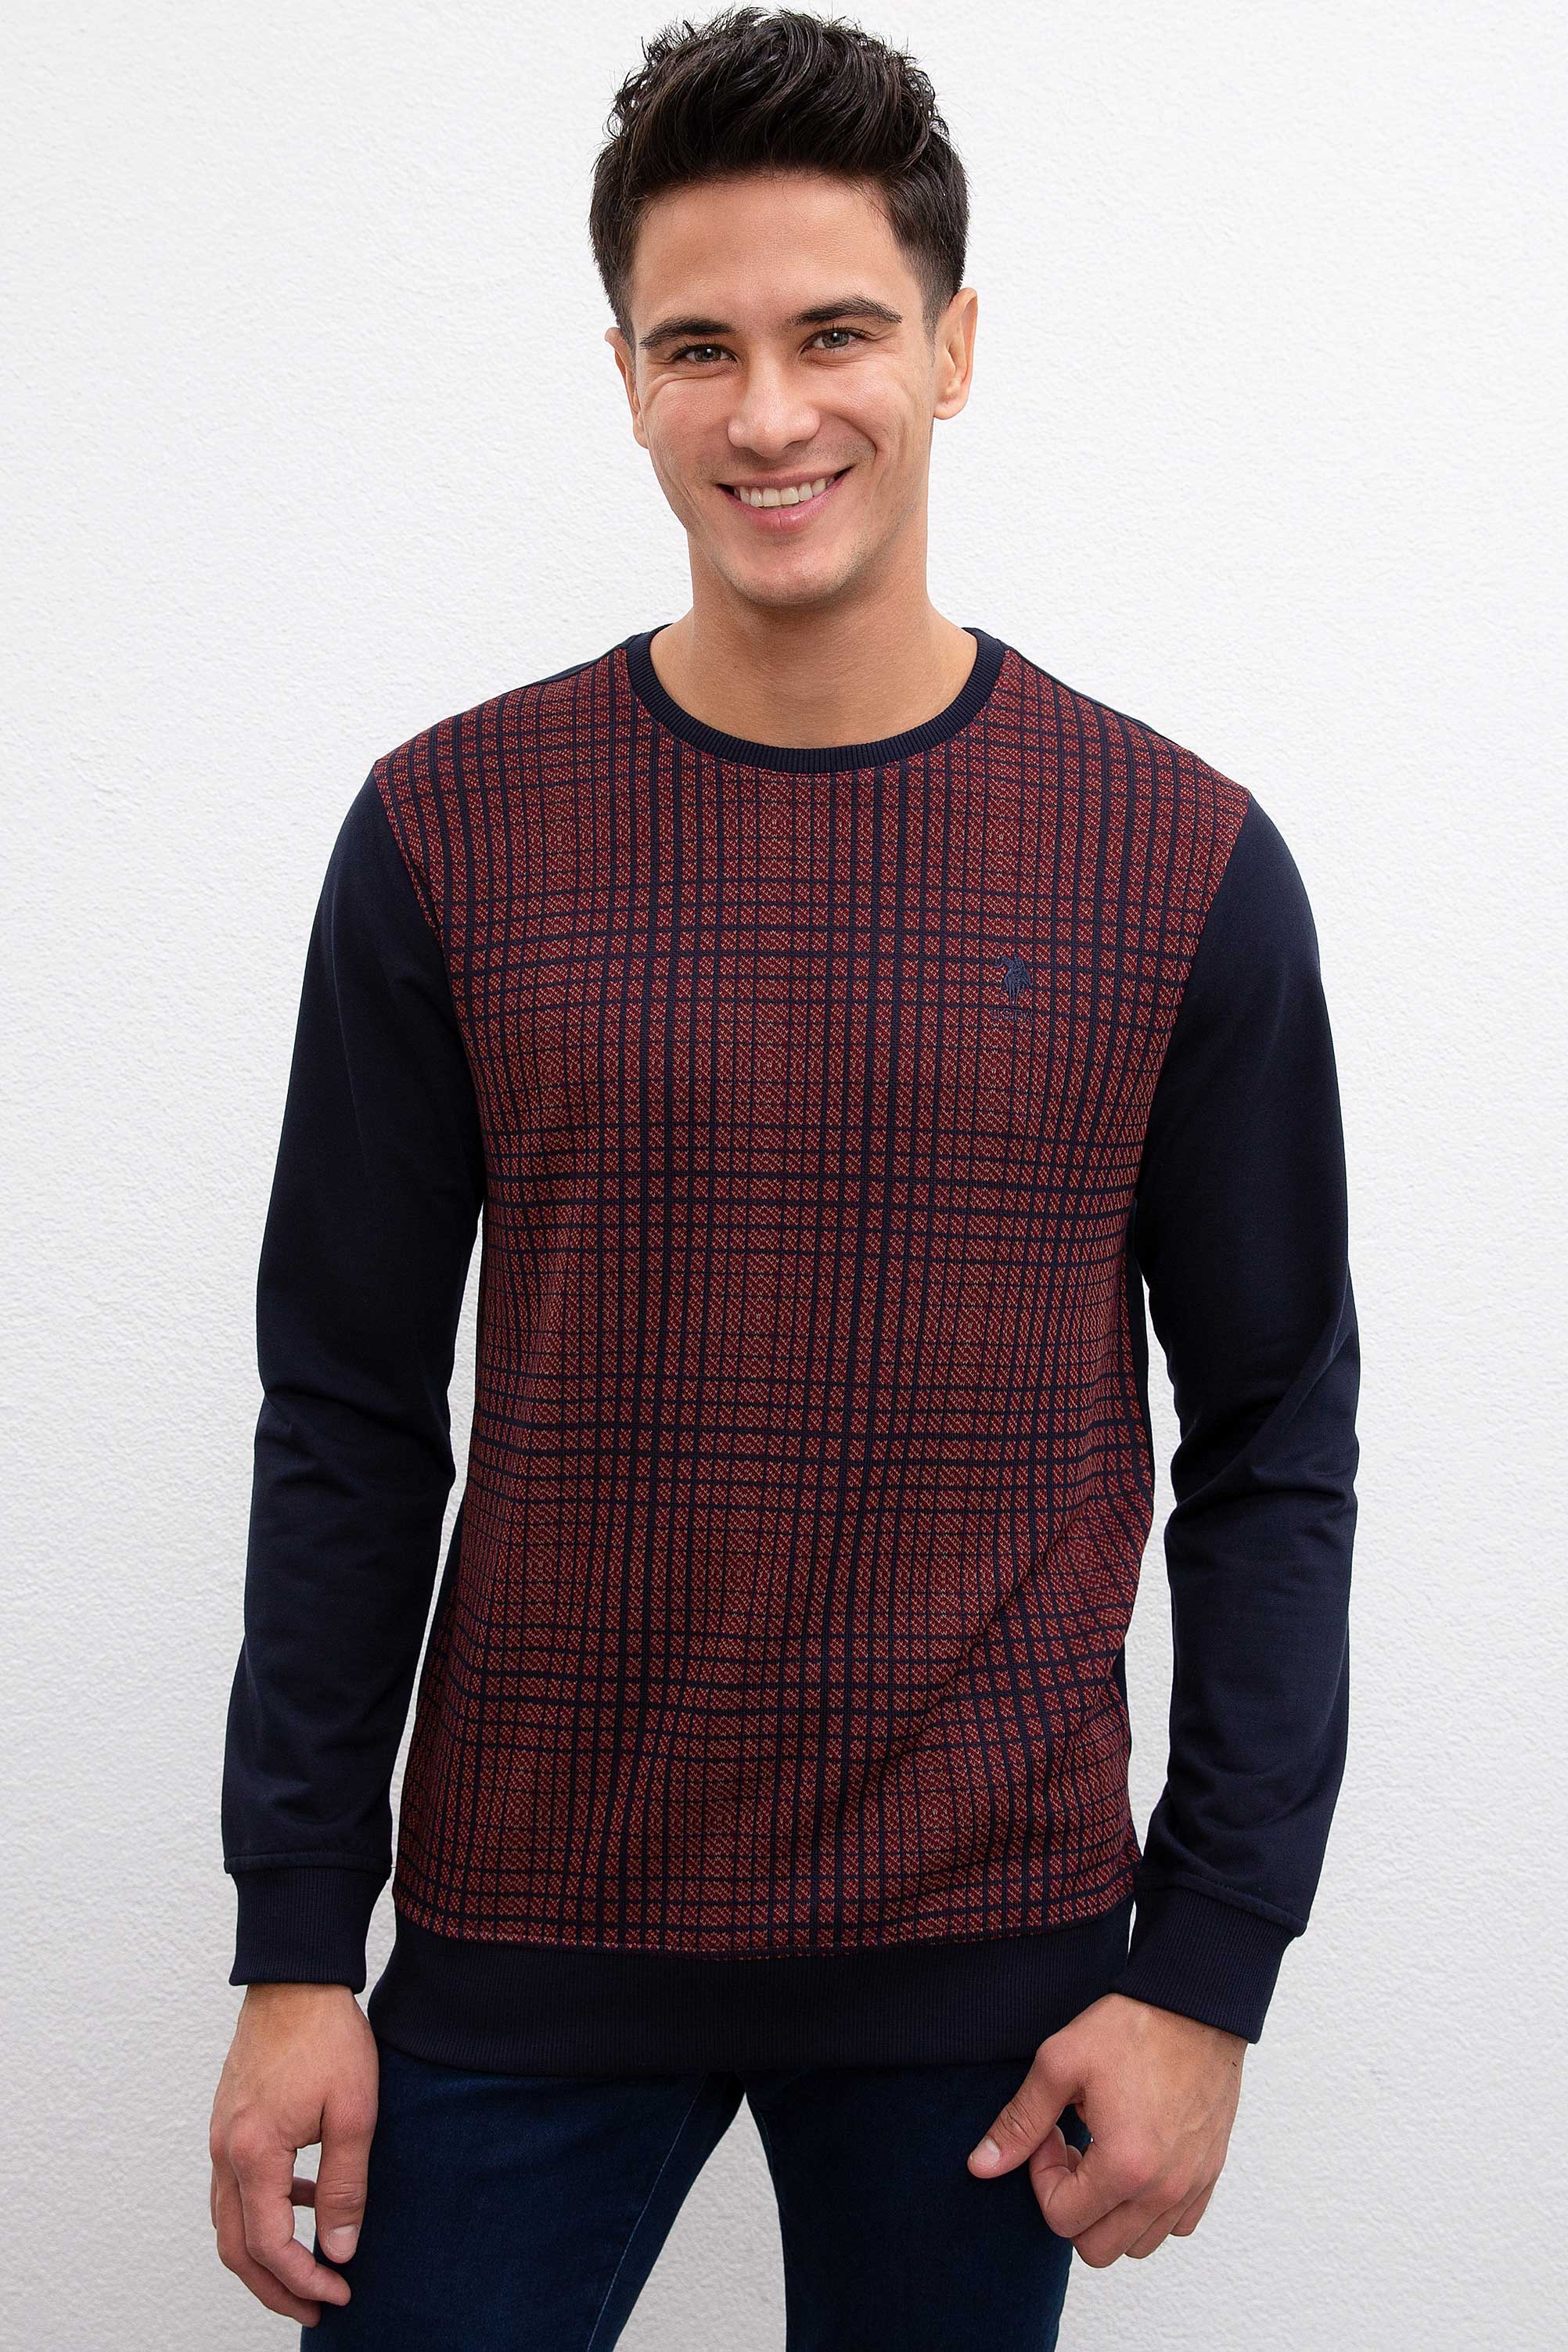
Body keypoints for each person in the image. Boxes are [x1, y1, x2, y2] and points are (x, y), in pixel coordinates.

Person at [208, 8, 1361, 2345]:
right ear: (625, 379)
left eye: (836, 333)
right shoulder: (446, 834)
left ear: (953, 349)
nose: (767, 414)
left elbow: (1273, 1438)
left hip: (990, 1976)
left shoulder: (1178, 862)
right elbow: (344, 1412)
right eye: (697, 347)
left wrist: (1210, 1969)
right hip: (527, 1928)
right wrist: (294, 1947)